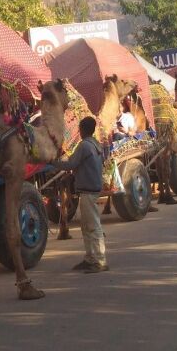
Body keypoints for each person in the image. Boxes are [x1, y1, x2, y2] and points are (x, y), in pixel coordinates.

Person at [52, 117, 109, 273]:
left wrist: (52, 163)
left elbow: (71, 164)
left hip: (88, 190)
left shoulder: (84, 146)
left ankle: (99, 260)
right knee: (86, 226)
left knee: (93, 226)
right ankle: (90, 258)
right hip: (91, 189)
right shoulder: (95, 144)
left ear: (82, 129)